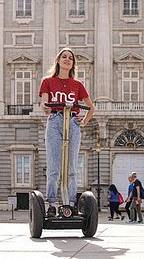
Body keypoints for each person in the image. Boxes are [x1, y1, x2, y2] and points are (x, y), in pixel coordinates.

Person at [39, 47, 95, 217]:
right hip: (55, 120)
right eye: (64, 57)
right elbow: (44, 102)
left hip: (72, 121)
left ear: (73, 64)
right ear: (58, 60)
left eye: (70, 58)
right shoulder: (47, 81)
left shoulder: (77, 85)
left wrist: (83, 122)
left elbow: (91, 108)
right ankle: (51, 203)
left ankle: (70, 204)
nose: (67, 59)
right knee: (54, 166)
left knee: (71, 167)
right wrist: (45, 108)